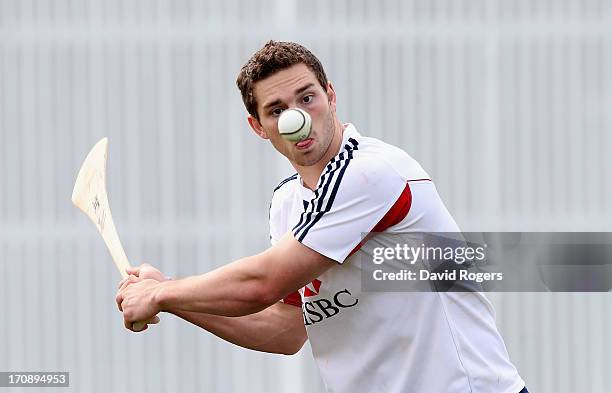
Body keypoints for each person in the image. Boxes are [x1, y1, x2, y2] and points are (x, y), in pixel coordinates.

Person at [116, 40, 528, 393]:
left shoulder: (370, 173)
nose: (296, 118)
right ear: (258, 127)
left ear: (331, 96)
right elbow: (285, 329)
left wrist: (160, 294)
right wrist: (172, 297)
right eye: (276, 110)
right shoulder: (286, 205)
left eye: (306, 98)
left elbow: (263, 283)